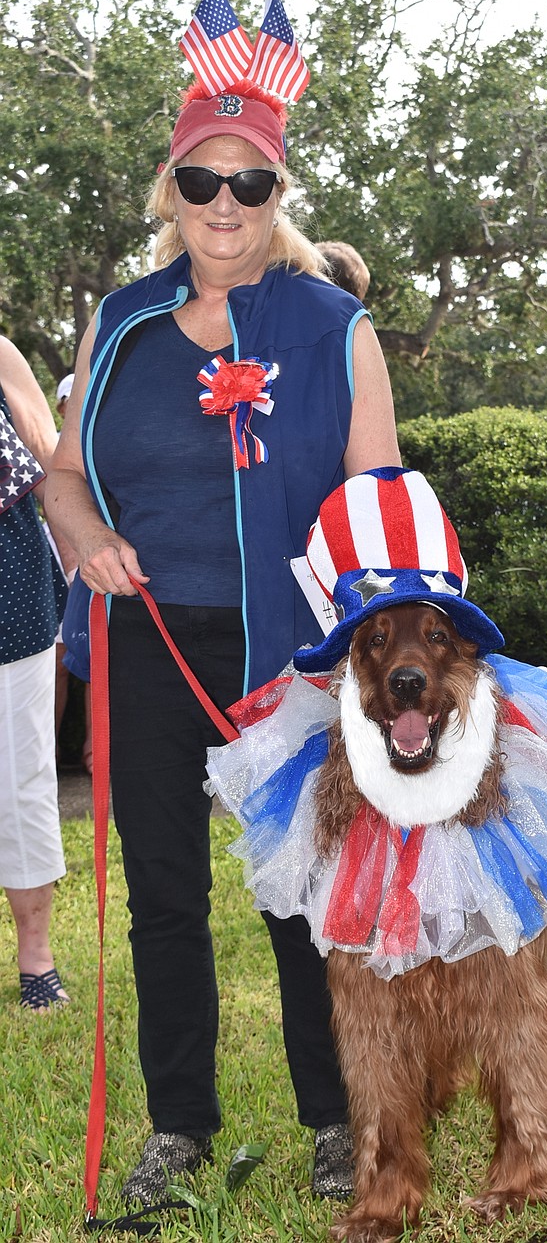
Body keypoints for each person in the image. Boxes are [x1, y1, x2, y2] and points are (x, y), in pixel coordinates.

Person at [45, 75, 401, 1209]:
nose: (225, 201)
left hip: (284, 650)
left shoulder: (334, 325)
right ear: (172, 189)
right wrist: (90, 536)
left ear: (277, 191)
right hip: (145, 639)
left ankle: (338, 1119)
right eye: (203, 178)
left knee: (298, 891)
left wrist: (376, 645)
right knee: (164, 893)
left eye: (249, 181)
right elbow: (60, 480)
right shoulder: (122, 319)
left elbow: (376, 499)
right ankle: (178, 1129)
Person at [0, 336, 71, 1011]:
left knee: (20, 779)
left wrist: (81, 561)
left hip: (9, 597)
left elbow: (51, 462)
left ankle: (36, 957)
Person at [52, 373, 93, 774]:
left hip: (85, 568)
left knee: (95, 659)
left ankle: (94, 749)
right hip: (64, 567)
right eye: (64, 400)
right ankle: (51, 750)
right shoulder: (60, 445)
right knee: (63, 660)